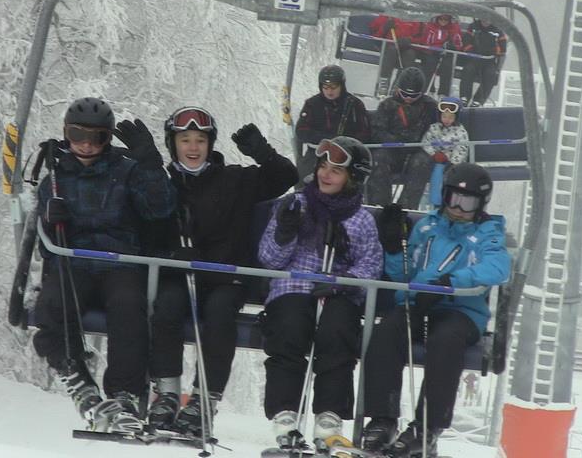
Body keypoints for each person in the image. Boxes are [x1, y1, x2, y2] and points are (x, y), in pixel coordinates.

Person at [147, 106, 298, 436]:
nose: (192, 147)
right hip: (179, 274)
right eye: (184, 139)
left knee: (219, 313)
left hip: (224, 278)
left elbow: (286, 177)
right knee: (167, 307)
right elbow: (147, 228)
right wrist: (173, 253)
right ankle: (167, 393)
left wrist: (262, 152)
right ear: (172, 143)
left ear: (210, 144)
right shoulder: (164, 184)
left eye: (200, 140)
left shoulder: (234, 180)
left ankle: (205, 398)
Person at [32, 97, 177, 432]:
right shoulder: (55, 178)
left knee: (129, 306)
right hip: (75, 260)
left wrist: (152, 166)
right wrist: (53, 223)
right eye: (76, 134)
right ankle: (78, 379)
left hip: (119, 262)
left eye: (95, 137)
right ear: (65, 134)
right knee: (52, 305)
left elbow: (160, 210)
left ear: (108, 138)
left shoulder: (127, 171)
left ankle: (125, 393)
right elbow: (46, 249)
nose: (85, 144)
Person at [361, 163, 511, 457]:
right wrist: (393, 248)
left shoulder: (488, 233)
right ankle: (383, 419)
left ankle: (426, 428)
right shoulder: (427, 227)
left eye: (467, 203)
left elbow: (497, 267)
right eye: (453, 199)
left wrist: (450, 283)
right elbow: (404, 274)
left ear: (480, 205)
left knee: (445, 341)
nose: (458, 208)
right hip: (418, 303)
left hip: (461, 311)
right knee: (387, 332)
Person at [259, 137, 383, 444]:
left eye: (336, 171)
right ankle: (285, 411)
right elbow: (268, 259)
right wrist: (285, 232)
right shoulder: (295, 205)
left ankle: (330, 413)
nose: (326, 175)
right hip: (293, 286)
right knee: (290, 326)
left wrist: (343, 281)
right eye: (323, 167)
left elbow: (371, 265)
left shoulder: (361, 220)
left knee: (337, 331)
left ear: (353, 179)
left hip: (337, 293)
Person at [365, 66, 438, 207]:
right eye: (405, 94)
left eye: (414, 96)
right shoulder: (388, 105)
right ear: (398, 90)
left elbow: (439, 130)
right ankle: (380, 205)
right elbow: (376, 131)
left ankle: (406, 207)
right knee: (379, 158)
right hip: (393, 151)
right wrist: (393, 141)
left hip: (417, 151)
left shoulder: (430, 107)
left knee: (422, 162)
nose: (409, 99)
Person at [295, 65, 371, 183]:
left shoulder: (355, 105)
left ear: (342, 85)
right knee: (304, 179)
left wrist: (346, 142)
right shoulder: (312, 104)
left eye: (334, 87)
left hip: (347, 155)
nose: (329, 91)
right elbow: (301, 131)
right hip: (317, 152)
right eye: (325, 87)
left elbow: (364, 132)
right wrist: (326, 139)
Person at [402, 97, 470, 210]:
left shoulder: (460, 132)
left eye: (450, 117)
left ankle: (441, 202)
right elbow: (426, 142)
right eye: (444, 117)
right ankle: (427, 201)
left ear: (456, 117)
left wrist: (453, 161)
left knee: (444, 175)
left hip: (449, 162)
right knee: (428, 171)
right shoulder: (434, 128)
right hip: (434, 160)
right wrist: (433, 154)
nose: (446, 120)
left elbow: (462, 148)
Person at [368, 16, 428, 95]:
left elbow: (422, 39)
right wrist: (385, 27)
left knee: (410, 55)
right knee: (391, 51)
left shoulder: (420, 22)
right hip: (390, 45)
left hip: (407, 47)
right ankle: (384, 82)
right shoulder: (388, 18)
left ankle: (399, 84)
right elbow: (376, 37)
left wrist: (410, 40)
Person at [460, 18, 507, 106]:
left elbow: (502, 50)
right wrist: (470, 52)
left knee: (490, 75)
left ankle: (478, 100)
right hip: (474, 58)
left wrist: (498, 65)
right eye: (484, 18)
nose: (485, 21)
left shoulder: (497, 31)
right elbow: (466, 40)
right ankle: (464, 97)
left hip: (489, 60)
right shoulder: (474, 27)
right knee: (468, 70)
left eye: (488, 18)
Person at [421, 14, 463, 98]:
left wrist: (452, 46)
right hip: (432, 51)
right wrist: (432, 49)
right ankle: (429, 89)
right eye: (441, 19)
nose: (443, 21)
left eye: (446, 20)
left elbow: (458, 43)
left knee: (447, 66)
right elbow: (425, 40)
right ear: (437, 19)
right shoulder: (431, 26)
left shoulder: (453, 28)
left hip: (447, 52)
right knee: (429, 64)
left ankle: (443, 92)